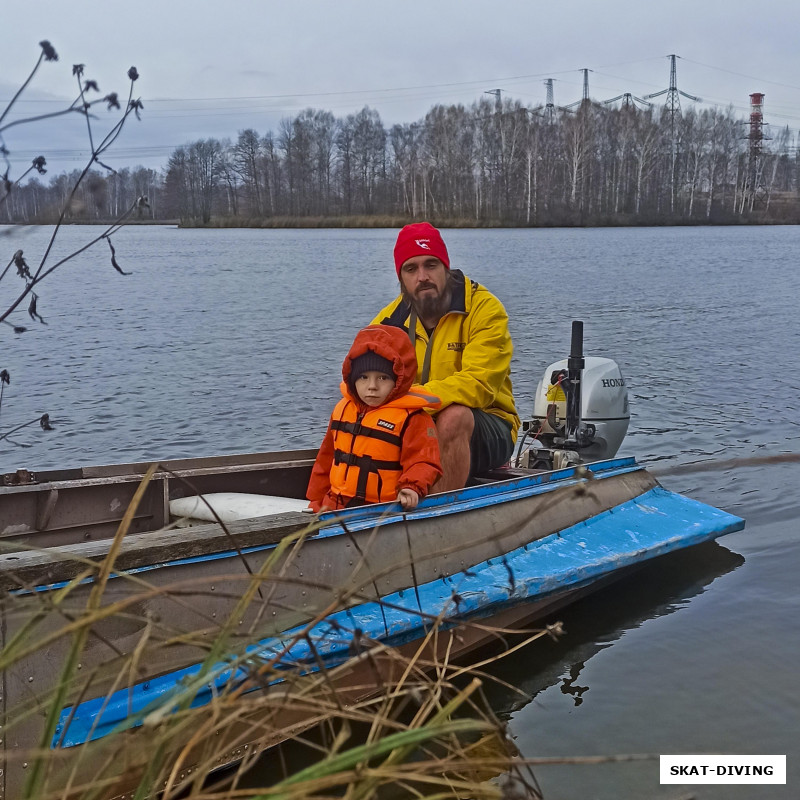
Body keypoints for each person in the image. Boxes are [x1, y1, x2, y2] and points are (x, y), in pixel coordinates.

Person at [371, 221, 520, 491]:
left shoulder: (485, 309)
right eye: (411, 268)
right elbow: (360, 379)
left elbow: (479, 385)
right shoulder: (388, 322)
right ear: (401, 277)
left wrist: (410, 402)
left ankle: (438, 516)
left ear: (445, 268)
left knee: (454, 417)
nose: (422, 277)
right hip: (415, 421)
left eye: (431, 265)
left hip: (488, 424)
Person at [306, 324, 442, 513]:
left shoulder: (413, 418)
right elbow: (326, 459)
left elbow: (424, 462)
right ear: (352, 378)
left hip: (384, 510)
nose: (372, 386)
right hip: (335, 505)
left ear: (398, 380)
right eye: (363, 377)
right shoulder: (342, 409)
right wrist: (315, 500)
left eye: (382, 378)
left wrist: (412, 487)